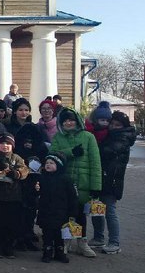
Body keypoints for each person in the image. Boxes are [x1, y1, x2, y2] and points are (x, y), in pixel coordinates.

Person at [49, 107, 101, 258]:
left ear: (77, 121)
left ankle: (82, 243)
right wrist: (70, 152)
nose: (68, 123)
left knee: (80, 215)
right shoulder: (58, 137)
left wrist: (95, 186)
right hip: (63, 184)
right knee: (65, 214)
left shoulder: (88, 137)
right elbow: (52, 155)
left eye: (71, 120)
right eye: (65, 120)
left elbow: (95, 163)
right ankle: (66, 241)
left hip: (82, 183)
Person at [91, 110, 136, 254]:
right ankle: (98, 237)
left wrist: (93, 146)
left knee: (109, 211)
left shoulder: (122, 138)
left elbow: (106, 151)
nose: (113, 127)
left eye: (117, 125)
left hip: (112, 180)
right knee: (96, 208)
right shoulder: (108, 135)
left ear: (122, 126)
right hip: (101, 177)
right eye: (112, 123)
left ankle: (114, 242)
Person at [36, 152, 76, 264]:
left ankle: (60, 253)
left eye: (52, 163)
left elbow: (72, 197)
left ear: (59, 165)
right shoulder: (42, 177)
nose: (48, 165)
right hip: (46, 211)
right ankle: (47, 252)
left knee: (60, 235)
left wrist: (73, 212)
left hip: (61, 212)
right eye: (47, 163)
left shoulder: (66, 179)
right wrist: (37, 189)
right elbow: (38, 193)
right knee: (47, 234)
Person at [14, 122, 48, 251]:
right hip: (20, 183)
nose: (28, 141)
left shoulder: (41, 148)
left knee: (31, 212)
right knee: (19, 212)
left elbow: (44, 164)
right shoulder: (17, 149)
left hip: (34, 183)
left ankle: (28, 236)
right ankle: (19, 238)